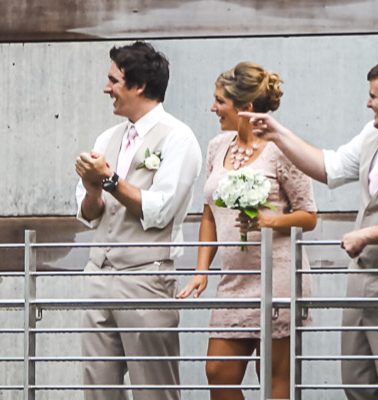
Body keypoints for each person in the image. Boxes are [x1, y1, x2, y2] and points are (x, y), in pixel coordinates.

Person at [241, 57, 378, 400]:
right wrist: (276, 133)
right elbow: (330, 167)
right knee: (358, 383)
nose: (367, 102)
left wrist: (367, 234)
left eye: (374, 95)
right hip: (363, 281)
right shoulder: (375, 132)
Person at [176, 62, 316, 400]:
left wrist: (271, 222)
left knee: (272, 378)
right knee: (219, 372)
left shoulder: (284, 149)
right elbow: (208, 213)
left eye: (219, 101)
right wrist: (201, 270)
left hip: (276, 275)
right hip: (233, 280)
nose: (213, 108)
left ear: (246, 108)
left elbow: (309, 216)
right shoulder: (216, 147)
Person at [74, 41, 202, 400]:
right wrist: (92, 189)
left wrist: (110, 180)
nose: (106, 88)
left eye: (113, 80)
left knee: (154, 389)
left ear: (139, 86)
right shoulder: (107, 137)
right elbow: (88, 215)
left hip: (146, 277)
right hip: (98, 275)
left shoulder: (179, 138)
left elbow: (159, 210)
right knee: (97, 389)